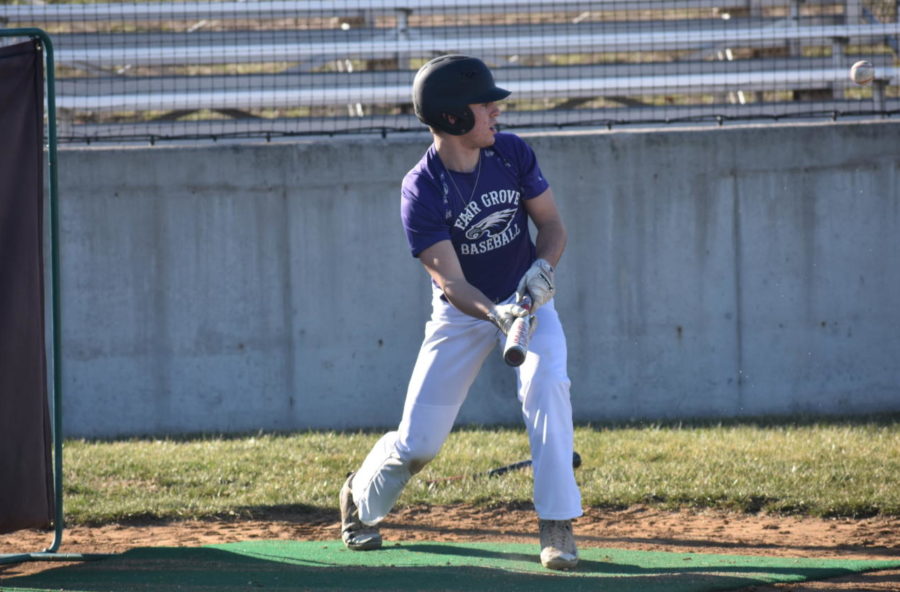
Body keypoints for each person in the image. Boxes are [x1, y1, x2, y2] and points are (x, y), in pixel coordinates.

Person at [339, 55, 582, 570]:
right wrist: (496, 315)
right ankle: (359, 499)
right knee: (419, 443)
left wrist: (540, 274)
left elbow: (553, 228)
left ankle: (557, 525)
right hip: (464, 313)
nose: (496, 111)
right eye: (484, 104)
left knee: (547, 386)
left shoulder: (512, 153)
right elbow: (450, 282)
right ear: (452, 118)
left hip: (530, 301)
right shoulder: (421, 188)